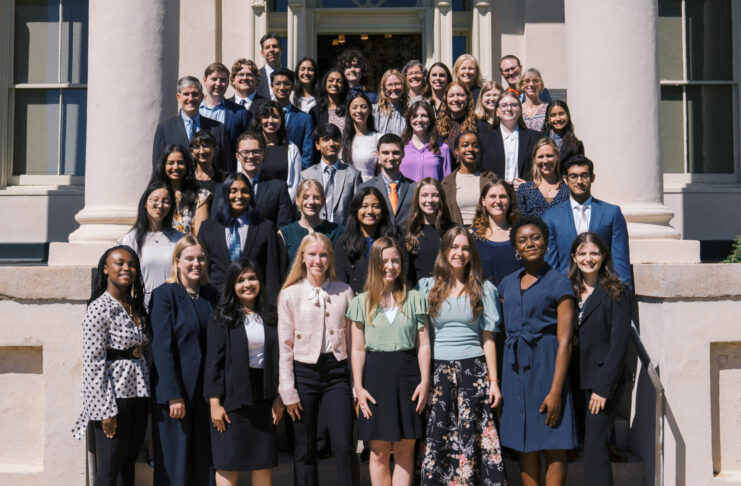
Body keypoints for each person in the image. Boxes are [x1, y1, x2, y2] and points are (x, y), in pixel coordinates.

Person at [417, 226, 506, 486]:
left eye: (465, 248)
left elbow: (489, 338)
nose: (459, 253)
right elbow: (421, 337)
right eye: (454, 247)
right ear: (444, 251)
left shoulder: (483, 288)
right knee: (439, 432)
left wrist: (494, 381)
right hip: (438, 369)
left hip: (473, 370)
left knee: (471, 433)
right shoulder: (426, 287)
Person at [497, 216, 578, 486]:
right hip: (514, 369)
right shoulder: (507, 283)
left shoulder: (559, 283)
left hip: (547, 366)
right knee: (524, 444)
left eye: (535, 237)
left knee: (553, 442)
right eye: (522, 240)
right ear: (516, 249)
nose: (530, 243)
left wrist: (556, 391)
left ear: (545, 242)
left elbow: (565, 342)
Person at [347, 237, 430, 486]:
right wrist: (358, 388)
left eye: (395, 260)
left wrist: (425, 381)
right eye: (384, 261)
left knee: (406, 448)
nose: (390, 266)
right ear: (374, 264)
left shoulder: (415, 298)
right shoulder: (360, 302)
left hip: (409, 377)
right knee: (378, 451)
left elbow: (423, 344)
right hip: (375, 378)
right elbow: (358, 349)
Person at [277, 233, 357, 486]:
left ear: (331, 258)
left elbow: (354, 343)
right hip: (304, 373)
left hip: (337, 374)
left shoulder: (344, 291)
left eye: (323, 254)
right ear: (302, 257)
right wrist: (287, 390)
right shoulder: (290, 294)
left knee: (344, 445)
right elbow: (284, 346)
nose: (318, 260)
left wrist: (356, 385)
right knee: (305, 446)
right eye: (312, 254)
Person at [72, 245, 150, 486]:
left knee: (128, 461)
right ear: (106, 269)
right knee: (110, 464)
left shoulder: (135, 306)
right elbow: (93, 364)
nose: (127, 268)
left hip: (139, 392)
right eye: (119, 263)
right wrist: (105, 411)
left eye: (132, 264)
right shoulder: (98, 308)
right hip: (113, 397)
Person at [204, 257, 285, 486]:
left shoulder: (271, 316)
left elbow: (279, 360)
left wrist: (278, 396)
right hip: (232, 401)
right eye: (240, 280)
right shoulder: (222, 317)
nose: (247, 284)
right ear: (232, 285)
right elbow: (214, 363)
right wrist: (214, 403)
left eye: (252, 278)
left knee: (262, 463)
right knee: (228, 463)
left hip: (264, 398)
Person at [150, 234, 219, 486]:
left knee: (205, 464)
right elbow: (162, 346)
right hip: (176, 397)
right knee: (175, 466)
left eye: (201, 258)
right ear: (177, 261)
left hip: (205, 395)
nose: (196, 263)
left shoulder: (211, 295)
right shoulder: (165, 294)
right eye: (189, 258)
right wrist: (172, 394)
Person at [568, 232, 631, 486]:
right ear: (574, 257)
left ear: (604, 256)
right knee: (585, 444)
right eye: (582, 253)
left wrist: (603, 389)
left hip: (604, 382)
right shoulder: (568, 290)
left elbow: (619, 345)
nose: (588, 258)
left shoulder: (617, 290)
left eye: (594, 253)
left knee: (596, 447)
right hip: (576, 378)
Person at [543, 155, 632, 288]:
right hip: (566, 290)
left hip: (603, 290)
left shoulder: (611, 213)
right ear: (565, 180)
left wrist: (624, 294)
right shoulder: (551, 216)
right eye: (573, 176)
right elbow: (550, 262)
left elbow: (620, 260)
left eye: (584, 175)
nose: (579, 181)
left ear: (592, 178)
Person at [198, 172, 282, 301]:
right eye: (233, 191)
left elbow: (272, 274)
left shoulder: (265, 228)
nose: (239, 196)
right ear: (225, 193)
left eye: (245, 191)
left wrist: (271, 308)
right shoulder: (208, 228)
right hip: (216, 303)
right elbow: (203, 269)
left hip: (253, 303)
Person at [118, 182, 184, 307]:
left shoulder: (179, 239)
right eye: (155, 200)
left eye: (166, 201)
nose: (160, 205)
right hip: (143, 303)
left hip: (175, 301)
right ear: (145, 203)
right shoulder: (131, 239)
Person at [152, 76, 232, 171]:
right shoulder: (164, 129)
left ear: (202, 97)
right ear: (178, 97)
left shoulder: (218, 129)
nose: (190, 98)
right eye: (186, 94)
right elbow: (158, 167)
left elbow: (227, 167)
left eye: (195, 94)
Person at [335, 187, 398, 294]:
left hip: (390, 298)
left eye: (376, 206)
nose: (370, 211)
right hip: (357, 302)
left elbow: (403, 273)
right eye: (364, 206)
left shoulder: (394, 239)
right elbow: (340, 281)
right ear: (356, 210)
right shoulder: (344, 242)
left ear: (383, 211)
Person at [299, 123, 362, 224]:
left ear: (341, 143)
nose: (331, 143)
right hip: (315, 231)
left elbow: (357, 208)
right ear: (317, 145)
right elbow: (301, 208)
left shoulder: (353, 175)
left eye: (335, 139)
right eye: (326, 139)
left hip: (343, 233)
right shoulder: (306, 175)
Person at [477, 91, 541, 189]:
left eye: (514, 105)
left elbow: (541, 169)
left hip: (524, 195)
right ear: (497, 112)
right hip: (495, 194)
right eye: (504, 105)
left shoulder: (535, 138)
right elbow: (479, 169)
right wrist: (494, 183)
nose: (509, 108)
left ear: (520, 110)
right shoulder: (483, 138)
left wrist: (529, 185)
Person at [278, 179, 344, 267]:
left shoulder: (338, 231)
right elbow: (282, 271)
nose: (311, 202)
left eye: (316, 197)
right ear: (297, 200)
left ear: (323, 201)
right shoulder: (285, 234)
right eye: (305, 197)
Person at [235, 131, 294, 227]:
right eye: (245, 152)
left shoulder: (278, 188)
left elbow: (284, 228)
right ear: (237, 156)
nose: (250, 156)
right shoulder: (224, 187)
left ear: (263, 154)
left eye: (255, 151)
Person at [471, 180, 523, 286]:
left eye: (503, 196)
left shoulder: (521, 234)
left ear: (510, 200)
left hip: (517, 299)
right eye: (492, 196)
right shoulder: (472, 237)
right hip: (484, 300)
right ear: (483, 201)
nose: (498, 201)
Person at [359, 133, 415, 233]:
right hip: (377, 244)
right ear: (378, 154)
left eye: (395, 153)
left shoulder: (415, 187)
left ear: (403, 154)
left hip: (408, 245)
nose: (391, 157)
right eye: (385, 153)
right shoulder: (366, 187)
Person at [249, 101, 303, 202]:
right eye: (265, 116)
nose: (270, 120)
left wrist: (284, 204)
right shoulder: (250, 147)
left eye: (275, 116)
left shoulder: (291, 148)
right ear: (259, 120)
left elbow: (295, 183)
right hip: (255, 205)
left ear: (282, 120)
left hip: (283, 206)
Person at [150, 144, 210, 235]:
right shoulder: (153, 194)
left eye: (181, 163)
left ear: (187, 165)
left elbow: (201, 235)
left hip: (189, 247)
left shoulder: (201, 195)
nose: (176, 167)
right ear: (163, 165)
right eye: (170, 163)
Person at [441, 131, 497, 226]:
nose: (470, 149)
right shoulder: (447, 183)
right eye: (465, 145)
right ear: (456, 151)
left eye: (475, 145)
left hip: (486, 231)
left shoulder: (490, 178)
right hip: (459, 235)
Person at [404, 177, 453, 283]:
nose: (430, 200)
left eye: (435, 195)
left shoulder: (452, 230)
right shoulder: (407, 230)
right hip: (417, 293)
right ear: (417, 198)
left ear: (441, 198)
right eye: (424, 195)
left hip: (447, 289)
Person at [200, 62, 251, 152]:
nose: (218, 83)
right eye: (214, 79)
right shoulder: (194, 110)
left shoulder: (239, 112)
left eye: (223, 80)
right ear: (204, 80)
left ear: (228, 83)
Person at [271, 68, 315, 169]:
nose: (282, 87)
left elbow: (307, 154)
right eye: (277, 83)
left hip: (295, 173)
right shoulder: (262, 116)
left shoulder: (305, 119)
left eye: (286, 83)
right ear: (271, 86)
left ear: (292, 86)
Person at [400, 100, 453, 182]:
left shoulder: (442, 148)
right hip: (405, 194)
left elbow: (446, 183)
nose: (419, 120)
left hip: (431, 194)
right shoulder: (401, 147)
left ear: (431, 120)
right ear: (409, 120)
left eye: (424, 115)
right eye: (414, 116)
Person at [516, 138, 570, 218]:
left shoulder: (568, 188)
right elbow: (520, 222)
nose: (545, 161)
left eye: (549, 156)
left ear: (557, 157)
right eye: (540, 157)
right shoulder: (524, 189)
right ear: (534, 159)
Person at [341, 91, 380, 182]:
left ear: (370, 110)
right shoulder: (343, 139)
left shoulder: (378, 138)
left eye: (363, 107)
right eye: (354, 107)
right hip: (348, 190)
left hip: (370, 188)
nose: (359, 111)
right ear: (349, 111)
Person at [436, 81, 477, 155]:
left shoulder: (477, 124)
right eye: (451, 96)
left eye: (460, 95)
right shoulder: (437, 126)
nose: (456, 99)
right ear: (446, 99)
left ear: (467, 97)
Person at [309, 68, 349, 136]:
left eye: (339, 82)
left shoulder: (349, 109)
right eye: (331, 80)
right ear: (325, 84)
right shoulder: (315, 111)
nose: (334, 84)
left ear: (343, 87)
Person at [372, 69, 407, 137]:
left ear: (403, 86)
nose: (394, 88)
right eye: (390, 85)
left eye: (397, 84)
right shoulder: (374, 111)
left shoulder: (409, 111)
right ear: (384, 88)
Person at [190, 129, 225, 195]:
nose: (201, 151)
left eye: (206, 146)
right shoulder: (187, 178)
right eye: (197, 147)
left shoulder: (223, 179)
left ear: (214, 150)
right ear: (191, 151)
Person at [256, 33, 283, 100]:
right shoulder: (255, 77)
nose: (271, 50)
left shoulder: (293, 77)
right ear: (262, 53)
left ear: (281, 50)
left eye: (274, 46)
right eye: (267, 47)